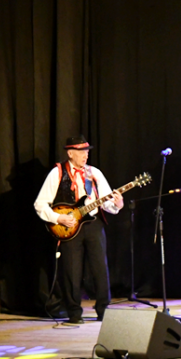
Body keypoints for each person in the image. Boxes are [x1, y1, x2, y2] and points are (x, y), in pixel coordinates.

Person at [34, 135, 124, 324]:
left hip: (93, 224)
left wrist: (117, 204)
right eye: (82, 152)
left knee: (100, 268)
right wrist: (59, 218)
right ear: (70, 153)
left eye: (87, 152)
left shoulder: (94, 173)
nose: (86, 156)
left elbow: (107, 203)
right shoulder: (57, 173)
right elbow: (40, 204)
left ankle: (104, 311)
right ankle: (74, 313)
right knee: (71, 271)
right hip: (69, 226)